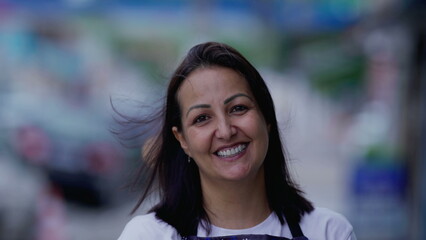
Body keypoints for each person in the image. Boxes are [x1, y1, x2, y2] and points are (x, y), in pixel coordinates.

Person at [117, 42, 356, 240]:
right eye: (202, 118)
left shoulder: (328, 232)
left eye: (238, 108)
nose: (225, 130)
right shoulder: (149, 235)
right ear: (182, 140)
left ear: (267, 119)